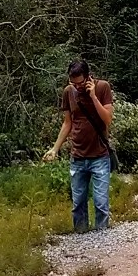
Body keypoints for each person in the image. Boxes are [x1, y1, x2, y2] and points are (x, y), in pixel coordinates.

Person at [50, 58, 118, 233]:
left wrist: (93, 96)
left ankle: (101, 236)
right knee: (78, 202)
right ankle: (81, 235)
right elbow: (67, 123)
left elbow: (107, 119)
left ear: (88, 78)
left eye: (79, 83)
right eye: (72, 83)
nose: (76, 87)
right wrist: (55, 148)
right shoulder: (69, 92)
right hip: (78, 156)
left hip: (100, 156)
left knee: (100, 202)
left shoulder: (103, 87)